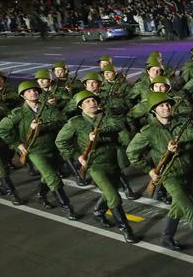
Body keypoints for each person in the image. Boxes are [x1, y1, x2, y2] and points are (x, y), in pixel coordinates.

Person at [126, 93, 193, 262]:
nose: (166, 108)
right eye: (161, 106)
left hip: (187, 173)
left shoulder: (181, 125)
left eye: (168, 105)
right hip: (169, 177)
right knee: (191, 211)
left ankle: (167, 237)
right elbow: (131, 153)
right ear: (153, 110)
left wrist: (181, 144)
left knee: (177, 207)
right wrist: (149, 170)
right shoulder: (148, 132)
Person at [56, 91, 138, 243]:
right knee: (114, 196)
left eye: (93, 100)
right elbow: (61, 142)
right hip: (94, 165)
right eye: (87, 101)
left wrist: (99, 133)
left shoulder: (107, 117)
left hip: (113, 161)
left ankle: (99, 212)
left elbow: (119, 124)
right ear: (80, 106)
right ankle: (126, 229)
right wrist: (77, 156)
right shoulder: (76, 122)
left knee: (109, 192)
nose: (92, 102)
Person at [0, 81, 75, 218]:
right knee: (53, 177)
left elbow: (63, 121)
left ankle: (41, 195)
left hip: (53, 148)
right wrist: (17, 144)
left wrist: (43, 127)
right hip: (35, 151)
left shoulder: (48, 108)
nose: (33, 93)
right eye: (28, 92)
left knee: (49, 174)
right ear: (22, 96)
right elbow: (2, 129)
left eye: (34, 91)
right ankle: (68, 207)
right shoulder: (18, 113)